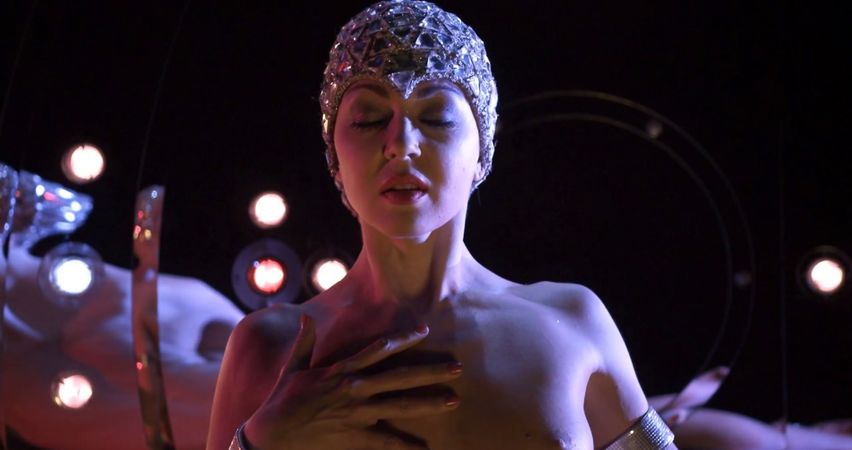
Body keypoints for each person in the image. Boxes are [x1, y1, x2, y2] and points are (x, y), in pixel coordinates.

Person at [208, 2, 675, 449]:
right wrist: (260, 440)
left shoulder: (572, 324)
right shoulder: (271, 346)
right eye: (369, 120)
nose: (401, 144)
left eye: (437, 118)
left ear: (481, 152)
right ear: (335, 157)